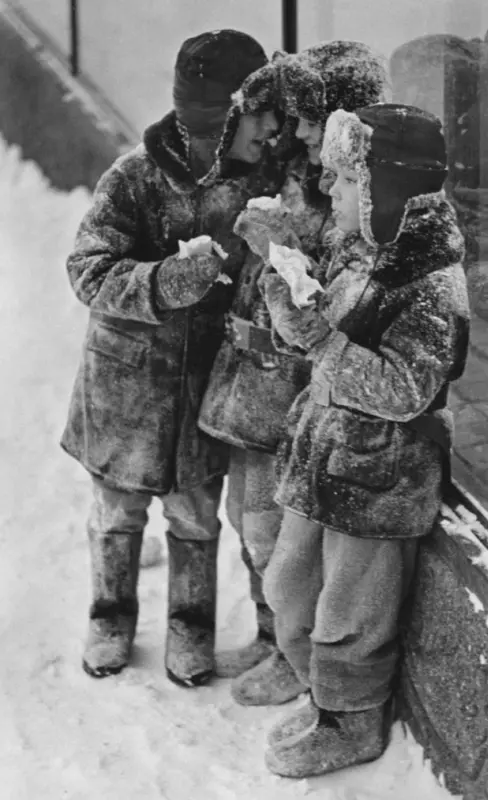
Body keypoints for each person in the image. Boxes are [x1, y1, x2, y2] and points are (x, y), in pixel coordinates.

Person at [61, 29, 281, 687]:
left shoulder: (260, 182)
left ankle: (192, 628)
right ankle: (109, 614)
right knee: (118, 513)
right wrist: (159, 282)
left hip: (207, 386)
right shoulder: (134, 176)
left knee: (194, 515)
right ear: (221, 119)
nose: (270, 135)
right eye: (258, 120)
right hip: (126, 388)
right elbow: (86, 269)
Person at [258, 104, 470, 777]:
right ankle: (321, 697)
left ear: (389, 189)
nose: (330, 191)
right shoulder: (362, 243)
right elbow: (332, 330)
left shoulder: (435, 284)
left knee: (350, 615)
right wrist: (295, 304)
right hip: (322, 453)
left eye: (345, 181)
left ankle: (350, 724)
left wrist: (320, 338)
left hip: (380, 477)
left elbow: (405, 390)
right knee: (288, 586)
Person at [198, 41, 390, 705]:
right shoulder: (296, 163)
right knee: (247, 522)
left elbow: (328, 296)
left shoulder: (357, 195)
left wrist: (274, 243)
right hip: (251, 376)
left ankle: (295, 655)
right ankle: (271, 634)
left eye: (309, 117)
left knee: (275, 535)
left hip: (296, 386)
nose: (297, 129)